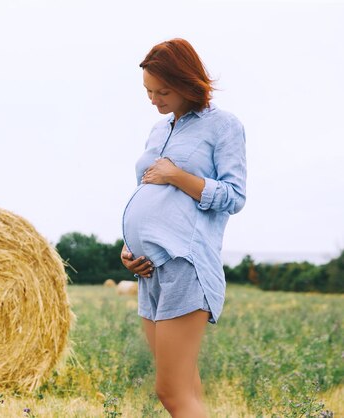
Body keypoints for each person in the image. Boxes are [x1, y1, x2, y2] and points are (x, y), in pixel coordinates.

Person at [120, 38, 247, 417]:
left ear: (188, 82)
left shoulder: (223, 126)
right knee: (186, 387)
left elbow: (235, 196)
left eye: (163, 90)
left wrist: (178, 175)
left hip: (185, 265)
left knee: (171, 391)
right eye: (148, 91)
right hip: (149, 270)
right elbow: (146, 194)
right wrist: (129, 247)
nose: (154, 99)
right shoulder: (159, 131)